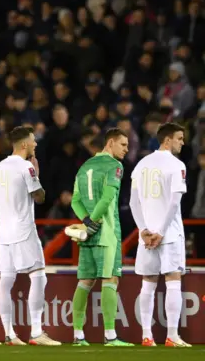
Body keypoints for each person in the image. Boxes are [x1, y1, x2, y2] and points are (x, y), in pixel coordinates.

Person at [0, 126, 60, 346]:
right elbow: (39, 197)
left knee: (6, 280)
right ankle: (35, 332)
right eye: (33, 141)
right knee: (39, 275)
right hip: (23, 229)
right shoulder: (26, 167)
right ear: (24, 145)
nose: (35, 144)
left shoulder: (0, 166)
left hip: (4, 232)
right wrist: (37, 175)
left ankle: (9, 334)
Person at [70, 128, 134, 347]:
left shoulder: (84, 167)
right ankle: (110, 336)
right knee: (110, 280)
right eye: (123, 144)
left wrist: (87, 222)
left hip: (87, 235)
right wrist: (95, 223)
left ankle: (78, 335)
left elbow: (75, 201)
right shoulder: (115, 166)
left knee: (85, 282)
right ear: (110, 143)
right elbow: (107, 198)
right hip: (106, 233)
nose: (127, 149)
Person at [130, 123, 191, 347]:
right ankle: (172, 336)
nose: (182, 142)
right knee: (173, 280)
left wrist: (143, 230)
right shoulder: (177, 165)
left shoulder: (141, 164)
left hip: (146, 236)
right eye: (180, 138)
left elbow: (132, 202)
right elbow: (175, 201)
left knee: (148, 282)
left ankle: (147, 335)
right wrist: (161, 232)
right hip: (170, 234)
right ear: (167, 140)